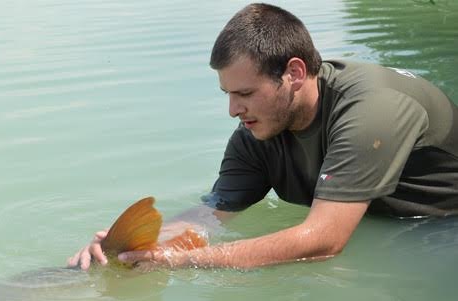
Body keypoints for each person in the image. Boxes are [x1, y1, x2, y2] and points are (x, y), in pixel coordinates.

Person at [68, 2, 458, 271]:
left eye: (246, 93)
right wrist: (137, 247)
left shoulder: (373, 111)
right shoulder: (256, 134)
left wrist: (184, 261)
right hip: (381, 220)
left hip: (443, 227)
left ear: (294, 73)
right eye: (228, 94)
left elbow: (324, 240)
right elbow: (210, 216)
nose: (233, 110)